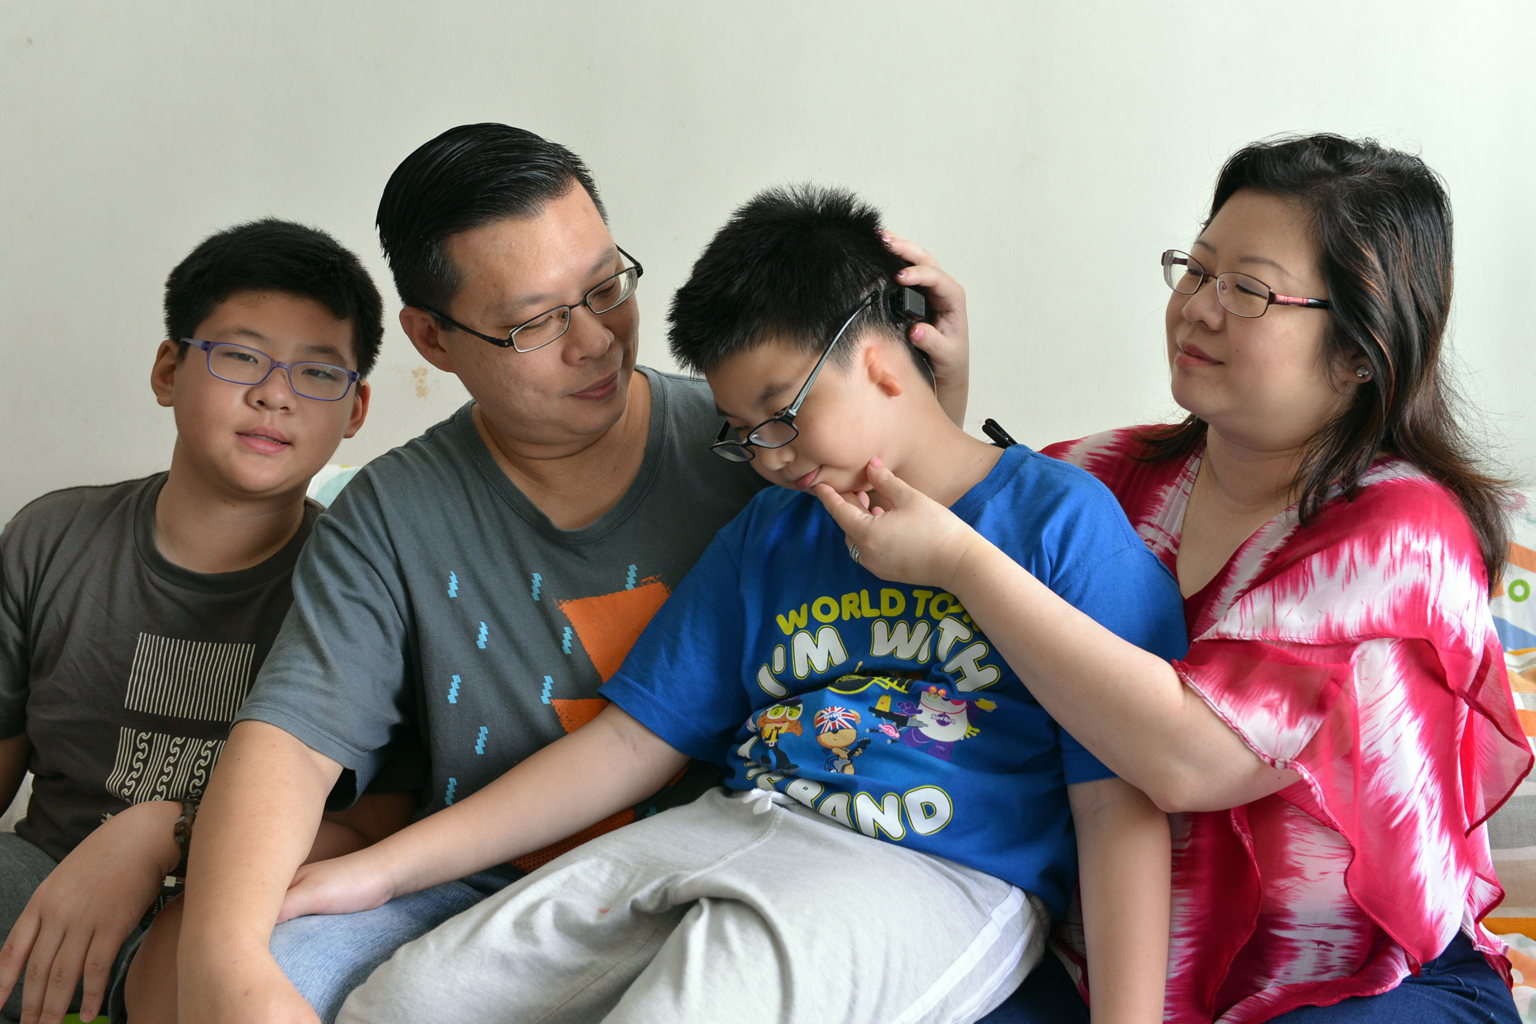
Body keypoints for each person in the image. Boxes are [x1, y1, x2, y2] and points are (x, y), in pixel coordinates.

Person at [278, 184, 1185, 1024]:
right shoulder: (771, 532)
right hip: (740, 820)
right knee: (406, 1002)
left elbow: (1120, 803)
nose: (773, 457)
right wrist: (380, 872)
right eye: (744, 435)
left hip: (939, 871)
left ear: (878, 361)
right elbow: (630, 742)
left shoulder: (1061, 521)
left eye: (782, 417)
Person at [169, 127, 973, 1024]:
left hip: (738, 878)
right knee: (287, 961)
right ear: (433, 339)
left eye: (605, 289)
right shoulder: (390, 517)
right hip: (474, 894)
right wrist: (226, 962)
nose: (594, 341)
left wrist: (937, 403)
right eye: (536, 322)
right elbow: (290, 743)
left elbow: (913, 585)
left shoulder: (761, 443)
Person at [819, 134, 1529, 1023]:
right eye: (1195, 270)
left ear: (1360, 351)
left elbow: (1186, 759)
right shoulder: (1111, 474)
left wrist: (966, 563)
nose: (1198, 308)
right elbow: (968, 544)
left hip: (1361, 983)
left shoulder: (1402, 529)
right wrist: (934, 399)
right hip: (1110, 976)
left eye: (1248, 289)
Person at [0, 219, 412, 1024]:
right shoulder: (52, 539)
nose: (275, 394)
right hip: (47, 897)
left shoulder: (366, 585)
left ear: (356, 408)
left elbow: (378, 825)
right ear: (167, 369)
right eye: (241, 356)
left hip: (243, 925)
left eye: (318, 372)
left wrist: (176, 833)